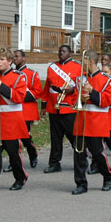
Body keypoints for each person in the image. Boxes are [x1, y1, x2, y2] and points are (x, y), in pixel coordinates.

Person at [0, 49, 29, 194]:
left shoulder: (19, 77)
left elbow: (19, 97)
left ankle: (20, 178)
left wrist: (1, 87)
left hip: (12, 122)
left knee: (13, 154)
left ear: (10, 61)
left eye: (2, 59)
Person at [72, 51, 111, 194]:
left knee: (97, 153)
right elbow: (74, 101)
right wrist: (82, 99)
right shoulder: (80, 79)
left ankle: (108, 176)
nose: (80, 64)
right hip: (81, 120)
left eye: (82, 61)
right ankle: (81, 184)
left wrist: (93, 92)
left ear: (90, 62)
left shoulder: (107, 79)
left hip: (97, 121)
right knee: (78, 153)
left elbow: (107, 101)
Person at [41, 45, 82, 173]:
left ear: (70, 53)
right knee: (55, 138)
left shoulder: (78, 67)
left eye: (64, 51)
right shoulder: (52, 67)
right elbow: (47, 88)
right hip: (54, 108)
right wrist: (43, 106)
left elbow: (82, 86)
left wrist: (73, 90)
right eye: (59, 51)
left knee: (74, 137)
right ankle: (54, 163)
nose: (61, 53)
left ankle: (81, 161)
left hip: (69, 108)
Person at [11, 49, 43, 169]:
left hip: (26, 110)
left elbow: (38, 92)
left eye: (17, 56)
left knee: (25, 137)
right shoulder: (11, 73)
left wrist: (20, 96)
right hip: (13, 109)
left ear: (24, 58)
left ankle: (32, 154)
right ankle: (13, 161)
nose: (15, 59)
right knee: (13, 138)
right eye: (13, 56)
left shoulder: (32, 73)